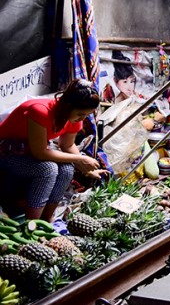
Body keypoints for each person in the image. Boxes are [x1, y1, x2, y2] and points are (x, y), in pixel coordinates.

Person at [0, 79, 105, 222]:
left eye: (86, 115)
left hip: (28, 152)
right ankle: (32, 224)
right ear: (68, 106)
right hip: (6, 152)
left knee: (67, 169)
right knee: (48, 169)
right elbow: (40, 152)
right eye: (81, 114)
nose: (82, 118)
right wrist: (80, 159)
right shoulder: (40, 111)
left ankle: (47, 217)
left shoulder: (73, 118)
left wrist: (87, 169)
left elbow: (67, 146)